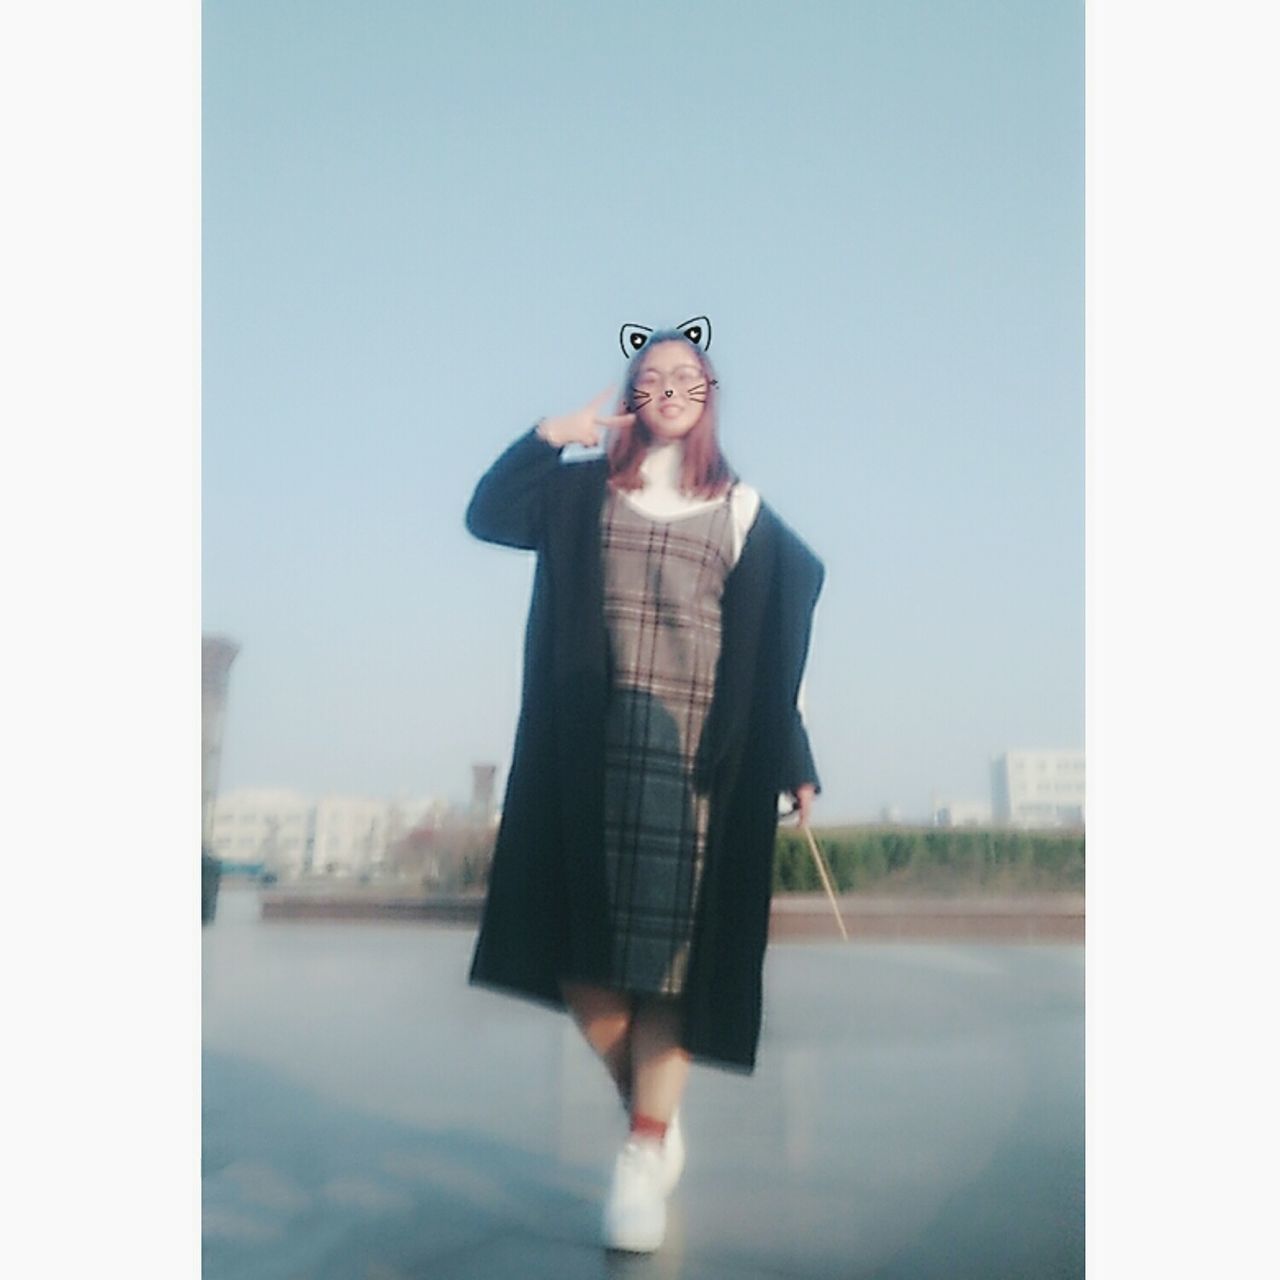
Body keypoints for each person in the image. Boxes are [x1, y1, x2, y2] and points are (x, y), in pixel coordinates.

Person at [464, 324, 824, 1253]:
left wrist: (792, 753)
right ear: (630, 394)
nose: (668, 386)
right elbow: (488, 514)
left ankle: (642, 1151)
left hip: (695, 763)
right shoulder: (584, 493)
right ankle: (650, 1110)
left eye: (687, 376)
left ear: (709, 399)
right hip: (584, 756)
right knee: (580, 961)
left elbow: (769, 652)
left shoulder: (742, 510)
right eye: (651, 375)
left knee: (672, 974)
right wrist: (555, 432)